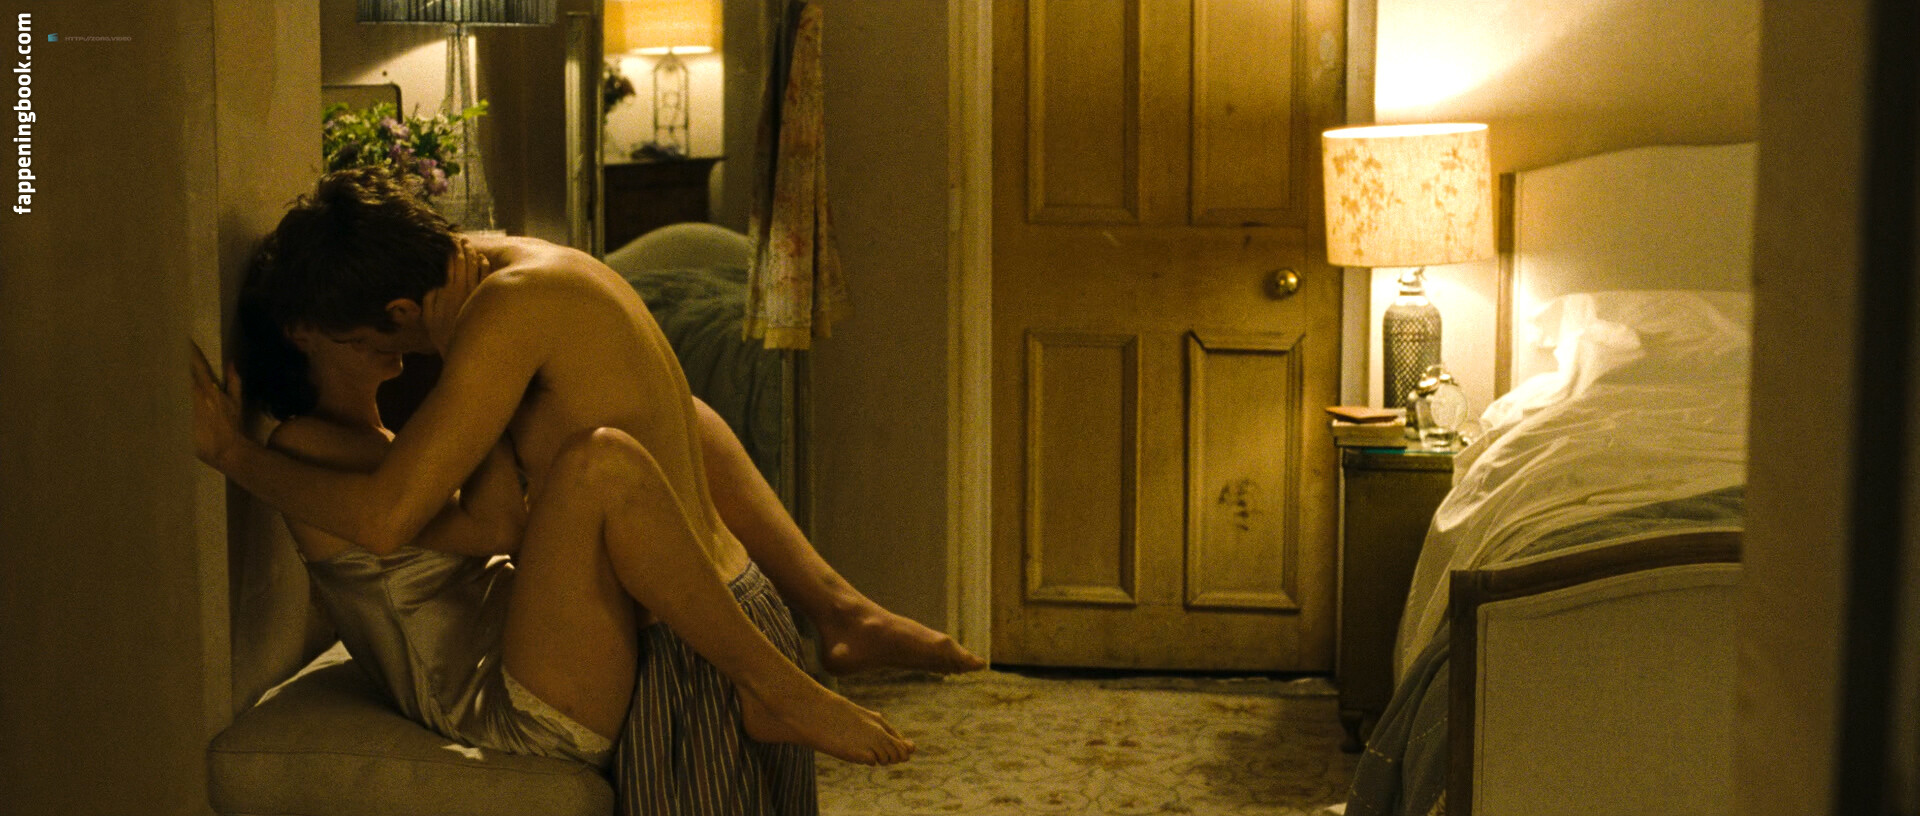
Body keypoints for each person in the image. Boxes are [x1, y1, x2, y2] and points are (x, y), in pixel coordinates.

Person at [193, 168, 983, 802]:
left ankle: (826, 624)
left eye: (375, 337)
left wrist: (464, 355)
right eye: (364, 345)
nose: (391, 358)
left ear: (399, 306)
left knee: (651, 431)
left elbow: (471, 523)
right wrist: (233, 451)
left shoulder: (490, 315)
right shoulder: (513, 278)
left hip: (537, 651)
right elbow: (410, 521)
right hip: (502, 690)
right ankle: (797, 655)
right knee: (605, 460)